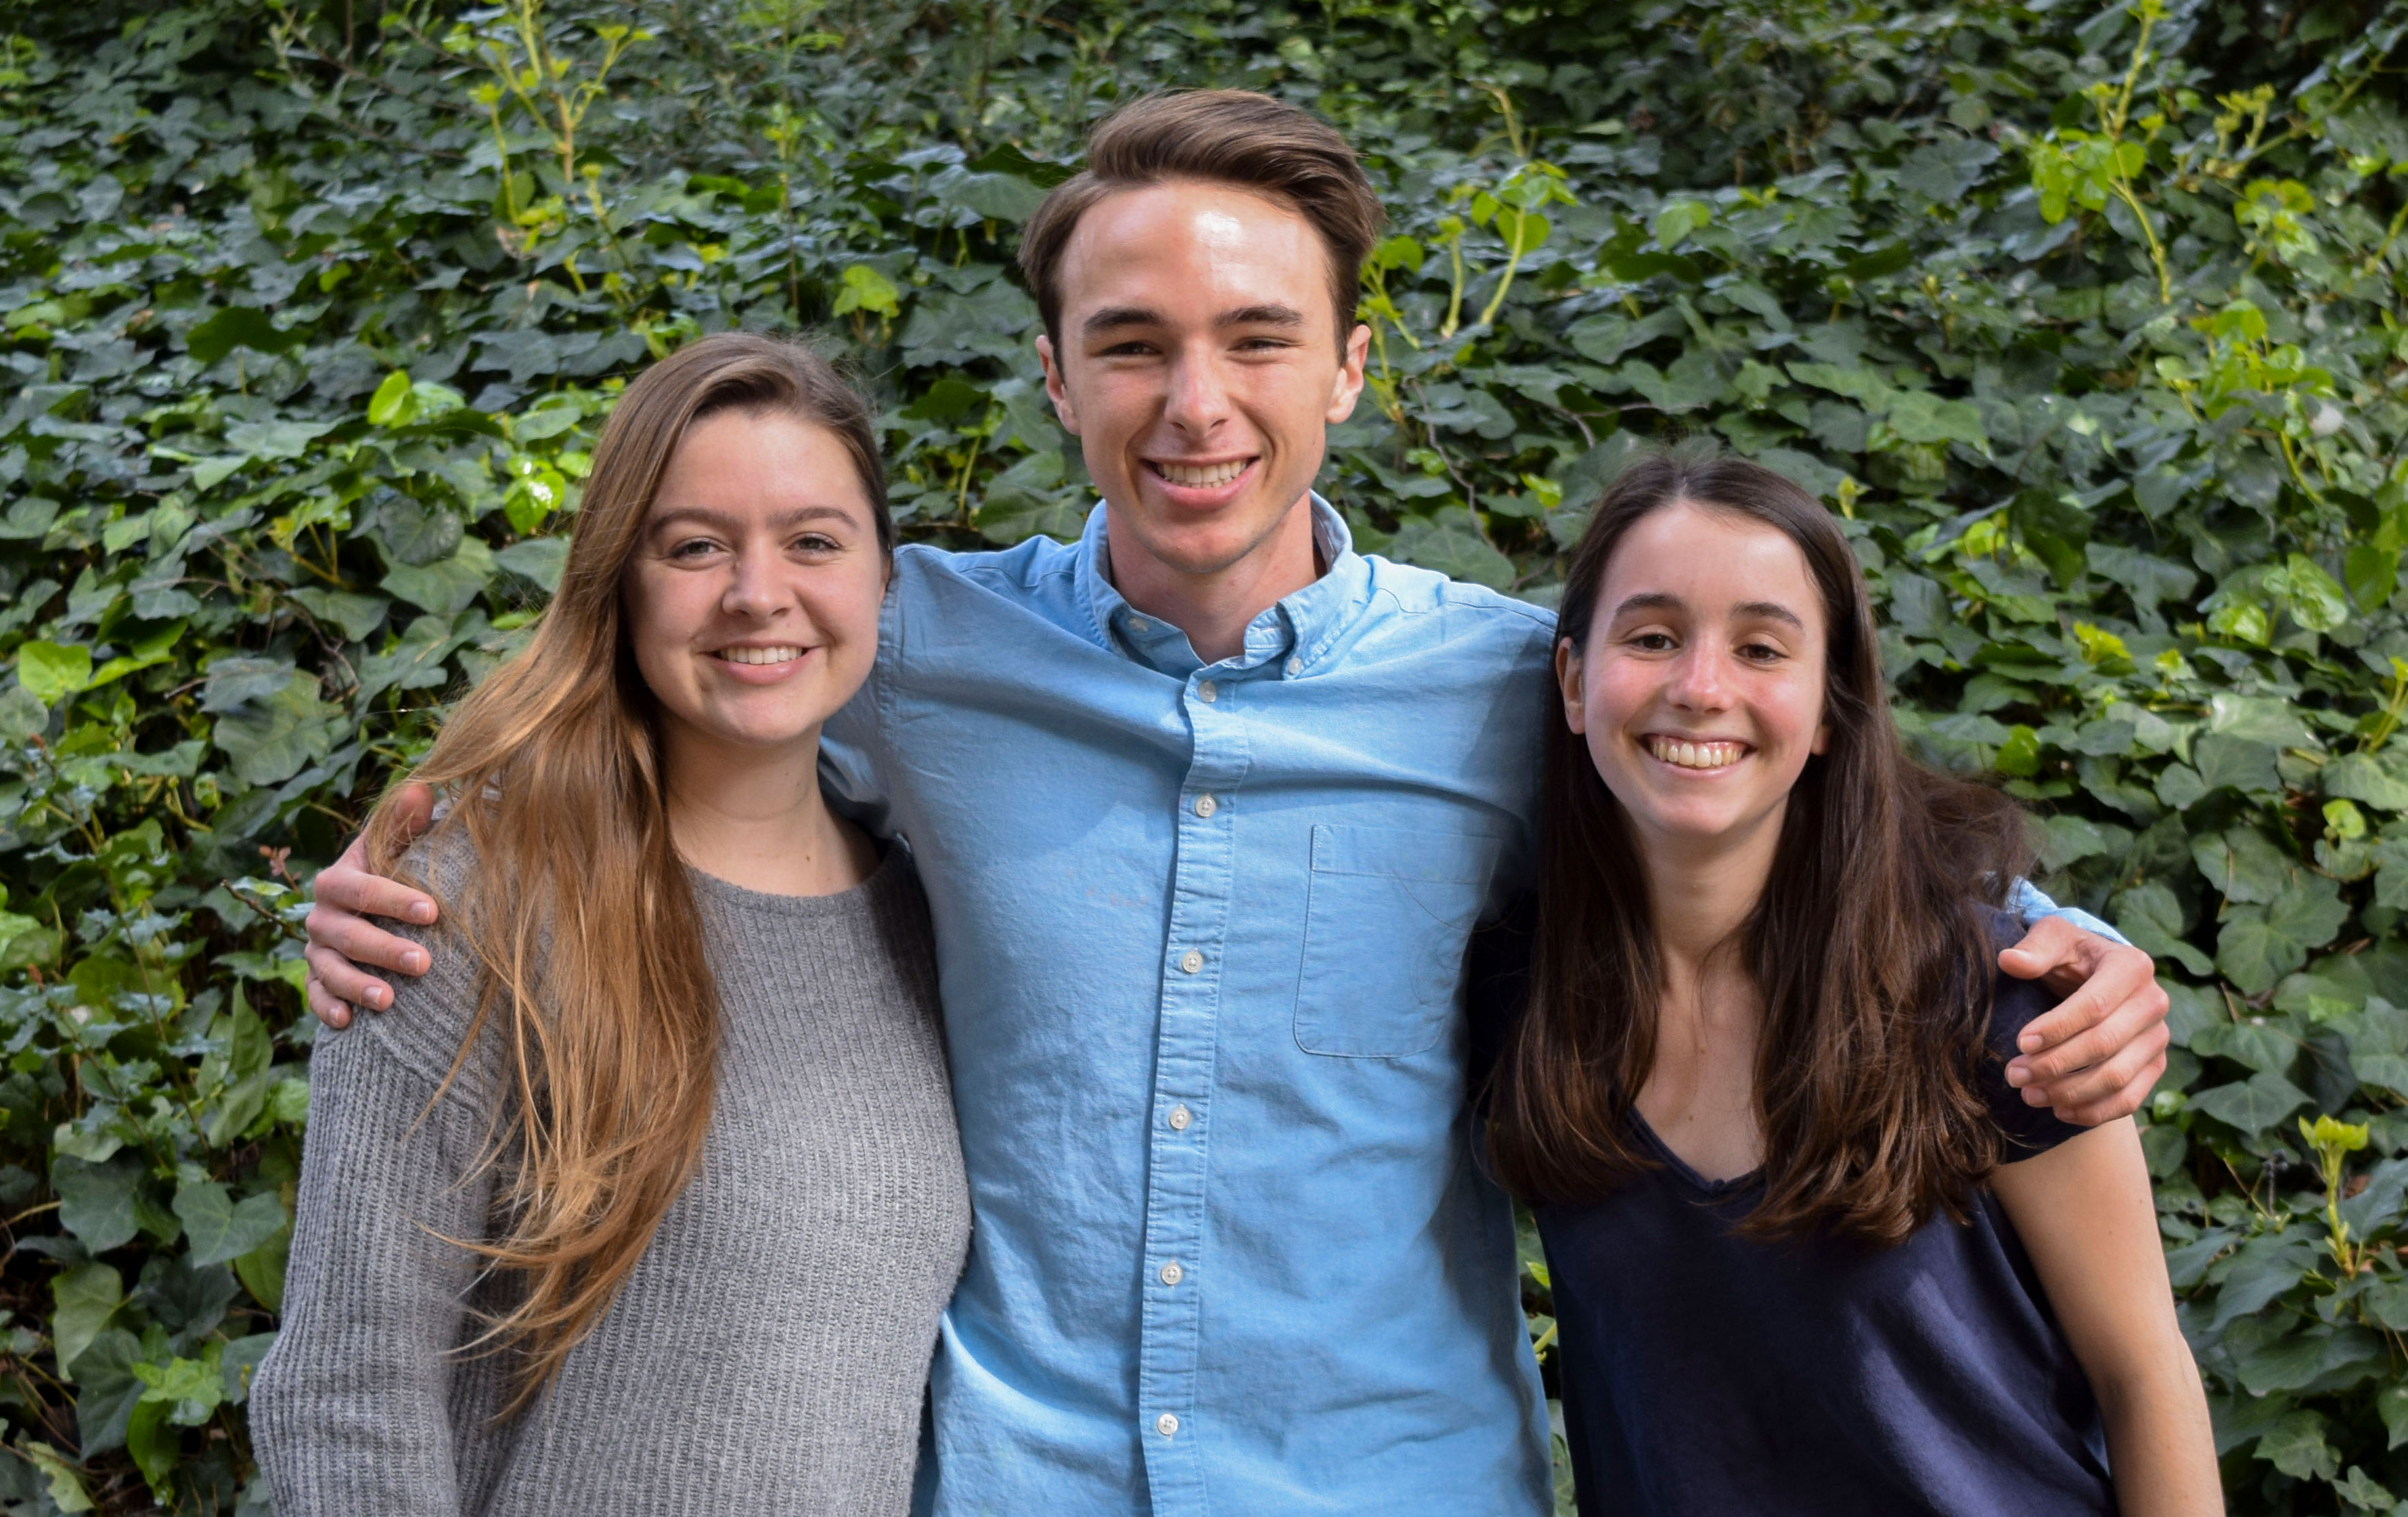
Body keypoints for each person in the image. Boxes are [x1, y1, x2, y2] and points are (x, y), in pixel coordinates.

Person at [298, 92, 2174, 1516]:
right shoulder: (904, 642)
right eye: (1130, 344)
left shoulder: (1515, 687)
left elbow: (1768, 800)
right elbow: (659, 675)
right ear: (1052, 377)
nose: (1195, 403)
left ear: (1349, 365)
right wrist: (417, 848)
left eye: (1257, 338)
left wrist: (2067, 954)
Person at [250, 333, 971, 1516]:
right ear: (618, 581)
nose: (757, 591)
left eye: (813, 540)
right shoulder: (466, 905)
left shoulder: (932, 914)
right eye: (694, 546)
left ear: (884, 578)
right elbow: (348, 1391)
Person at [1485, 451, 2219, 1516]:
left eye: (1759, 647)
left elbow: (2144, 1375)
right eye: (1650, 637)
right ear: (1570, 681)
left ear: (1829, 711)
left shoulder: (1996, 1002)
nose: (1699, 687)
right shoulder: (1522, 1001)